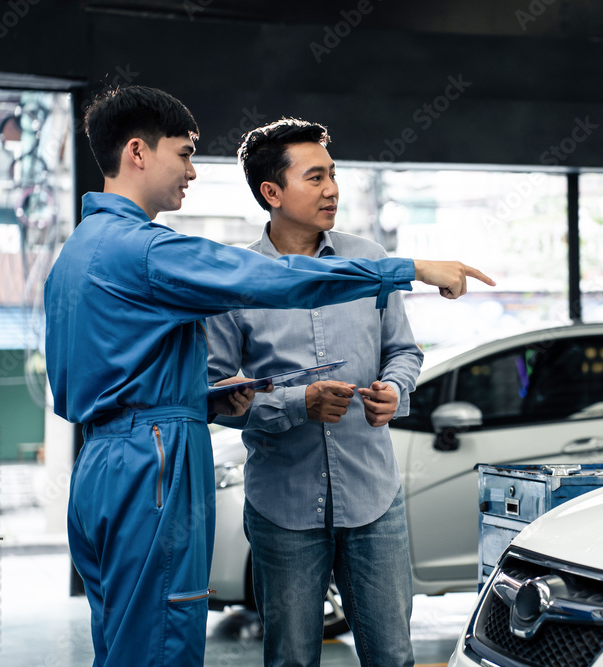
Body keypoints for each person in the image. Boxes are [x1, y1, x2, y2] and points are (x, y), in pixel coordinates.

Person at [43, 86, 493, 667]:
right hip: (153, 461)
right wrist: (410, 268)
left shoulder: (78, 252)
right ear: (137, 152)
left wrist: (216, 397)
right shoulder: (146, 250)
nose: (191, 172)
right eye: (183, 154)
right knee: (162, 638)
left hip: (106, 460)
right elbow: (281, 279)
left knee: (127, 639)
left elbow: (116, 379)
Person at [206, 118, 425, 667]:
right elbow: (215, 397)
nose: (332, 189)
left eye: (333, 174)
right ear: (271, 193)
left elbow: (404, 351)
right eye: (314, 177)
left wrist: (395, 390)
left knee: (393, 656)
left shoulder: (369, 259)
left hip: (374, 497)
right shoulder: (236, 279)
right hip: (283, 505)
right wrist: (296, 403)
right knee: (292, 660)